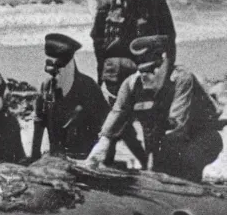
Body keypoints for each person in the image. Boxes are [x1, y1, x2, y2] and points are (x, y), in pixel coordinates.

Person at [86, 35, 222, 182]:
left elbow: (177, 125)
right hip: (163, 143)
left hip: (201, 137)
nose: (145, 76)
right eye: (141, 70)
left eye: (151, 69)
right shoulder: (131, 84)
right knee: (158, 176)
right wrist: (102, 144)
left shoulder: (181, 79)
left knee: (182, 171)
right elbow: (117, 113)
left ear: (164, 62)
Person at [90, 0, 176, 85]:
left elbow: (169, 38)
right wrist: (100, 76)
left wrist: (165, 73)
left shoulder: (155, 1)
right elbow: (98, 41)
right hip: (115, 70)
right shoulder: (106, 4)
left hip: (147, 67)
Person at [31, 33, 109, 161]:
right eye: (51, 72)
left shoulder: (88, 87)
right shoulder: (46, 88)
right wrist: (34, 158)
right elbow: (39, 124)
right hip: (56, 159)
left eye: (58, 70)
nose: (55, 76)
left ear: (69, 66)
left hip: (85, 159)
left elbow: (107, 125)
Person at [101, 57, 148, 169]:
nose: (112, 87)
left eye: (115, 84)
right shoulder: (102, 92)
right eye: (108, 82)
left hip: (125, 121)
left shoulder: (137, 92)